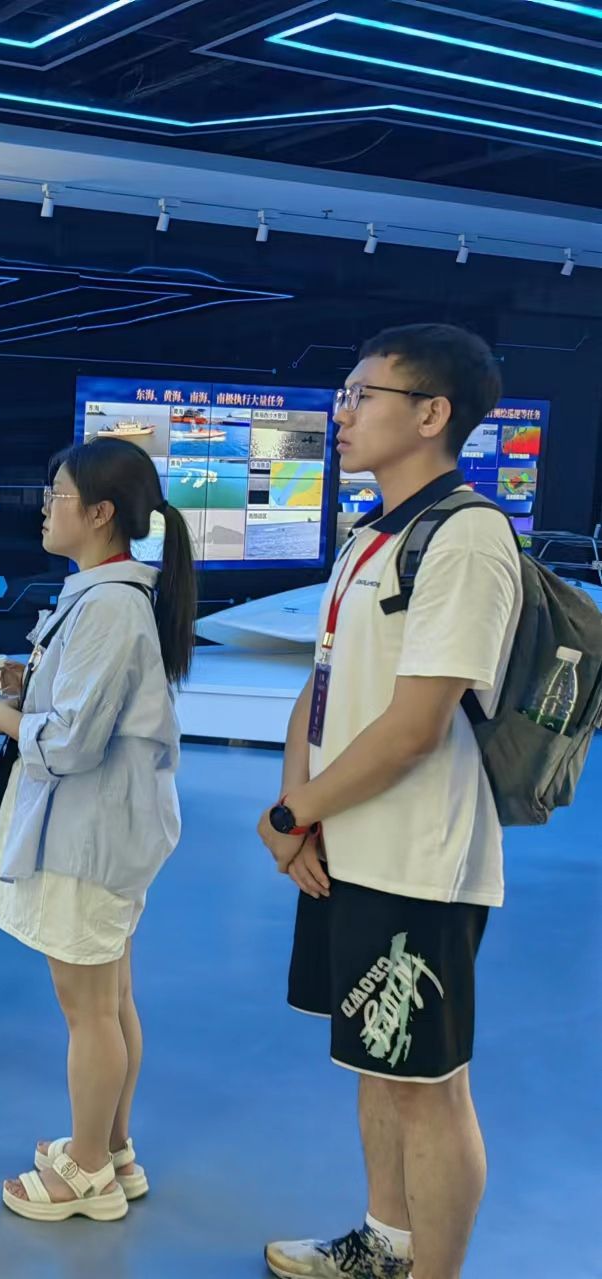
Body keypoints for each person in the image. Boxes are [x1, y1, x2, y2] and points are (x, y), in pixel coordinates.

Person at [260, 325, 521, 1279]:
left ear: (431, 413)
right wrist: (300, 806)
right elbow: (322, 685)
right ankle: (385, 1242)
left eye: (361, 394)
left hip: (419, 860)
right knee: (375, 1061)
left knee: (429, 1086)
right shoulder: (372, 535)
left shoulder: (467, 537)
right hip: (347, 845)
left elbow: (416, 725)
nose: (342, 413)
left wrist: (292, 817)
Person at [0, 437, 195, 1224]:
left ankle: (86, 1172)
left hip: (89, 833)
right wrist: (32, 682)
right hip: (102, 829)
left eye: (59, 496)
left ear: (101, 512)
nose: (46, 509)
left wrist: (6, 716)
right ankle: (110, 1146)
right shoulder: (108, 597)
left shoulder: (109, 605)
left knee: (89, 1008)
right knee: (110, 998)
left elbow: (71, 743)